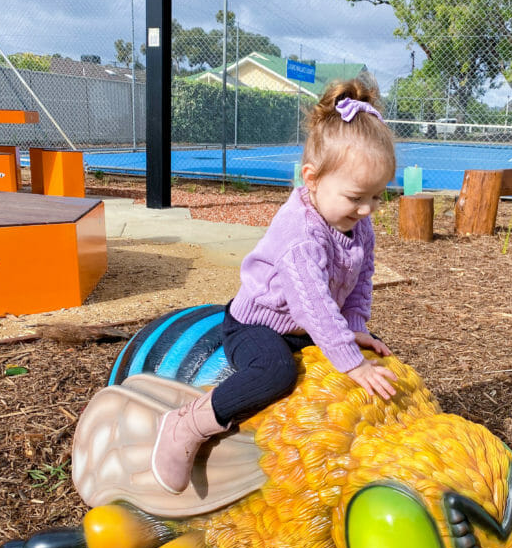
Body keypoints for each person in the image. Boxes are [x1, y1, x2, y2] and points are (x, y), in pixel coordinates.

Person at [152, 77, 398, 494]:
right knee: (276, 372)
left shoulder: (359, 223)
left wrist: (355, 326)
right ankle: (187, 425)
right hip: (259, 325)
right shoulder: (300, 232)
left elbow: (362, 279)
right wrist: (349, 360)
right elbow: (311, 304)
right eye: (357, 196)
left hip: (307, 325)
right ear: (313, 178)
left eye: (377, 197)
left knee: (371, 354)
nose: (367, 208)